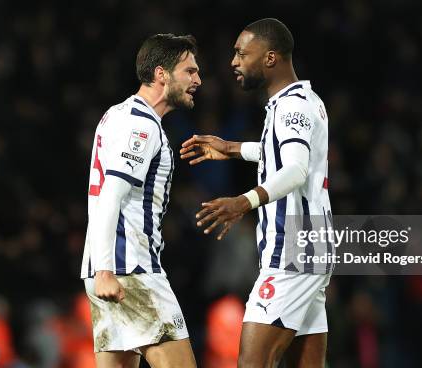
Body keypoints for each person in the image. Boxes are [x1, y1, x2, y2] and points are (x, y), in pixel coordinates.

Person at [180, 18, 332, 367]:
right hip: (313, 246)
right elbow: (283, 152)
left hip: (292, 249)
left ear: (270, 58)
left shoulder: (291, 107)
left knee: (252, 362)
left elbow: (295, 169)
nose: (234, 61)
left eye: (241, 53)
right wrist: (232, 148)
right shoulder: (307, 101)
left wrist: (243, 202)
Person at [80, 33, 201, 368]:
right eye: (190, 71)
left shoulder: (116, 114)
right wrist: (107, 270)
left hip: (105, 268)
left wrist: (100, 269)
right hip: (129, 270)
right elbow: (111, 196)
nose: (198, 80)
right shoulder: (141, 126)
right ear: (161, 74)